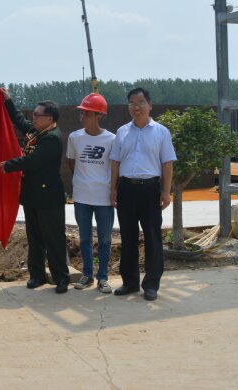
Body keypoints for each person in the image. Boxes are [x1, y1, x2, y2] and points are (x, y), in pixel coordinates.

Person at [0, 88, 70, 294]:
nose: (34, 117)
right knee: (35, 238)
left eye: (38, 115)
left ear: (50, 119)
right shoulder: (37, 131)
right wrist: (8, 101)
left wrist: (8, 165)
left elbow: (33, 160)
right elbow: (19, 120)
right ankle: (37, 275)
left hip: (48, 198)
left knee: (53, 239)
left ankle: (61, 278)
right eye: (34, 114)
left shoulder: (52, 138)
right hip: (32, 195)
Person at [110, 87, 176, 302]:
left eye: (140, 102)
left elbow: (167, 163)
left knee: (152, 237)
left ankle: (151, 284)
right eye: (131, 102)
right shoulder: (122, 132)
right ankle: (130, 283)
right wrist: (113, 188)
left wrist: (166, 191)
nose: (136, 107)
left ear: (150, 105)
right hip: (126, 189)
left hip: (150, 190)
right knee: (128, 237)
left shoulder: (161, 132)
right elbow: (115, 162)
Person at [66, 93, 115, 294]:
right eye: (81, 113)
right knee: (85, 238)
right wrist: (82, 182)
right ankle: (87, 275)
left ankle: (103, 277)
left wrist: (113, 191)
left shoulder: (112, 139)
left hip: (104, 198)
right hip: (81, 197)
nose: (82, 117)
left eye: (87, 113)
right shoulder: (74, 137)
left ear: (99, 116)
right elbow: (72, 164)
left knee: (105, 240)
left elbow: (115, 168)